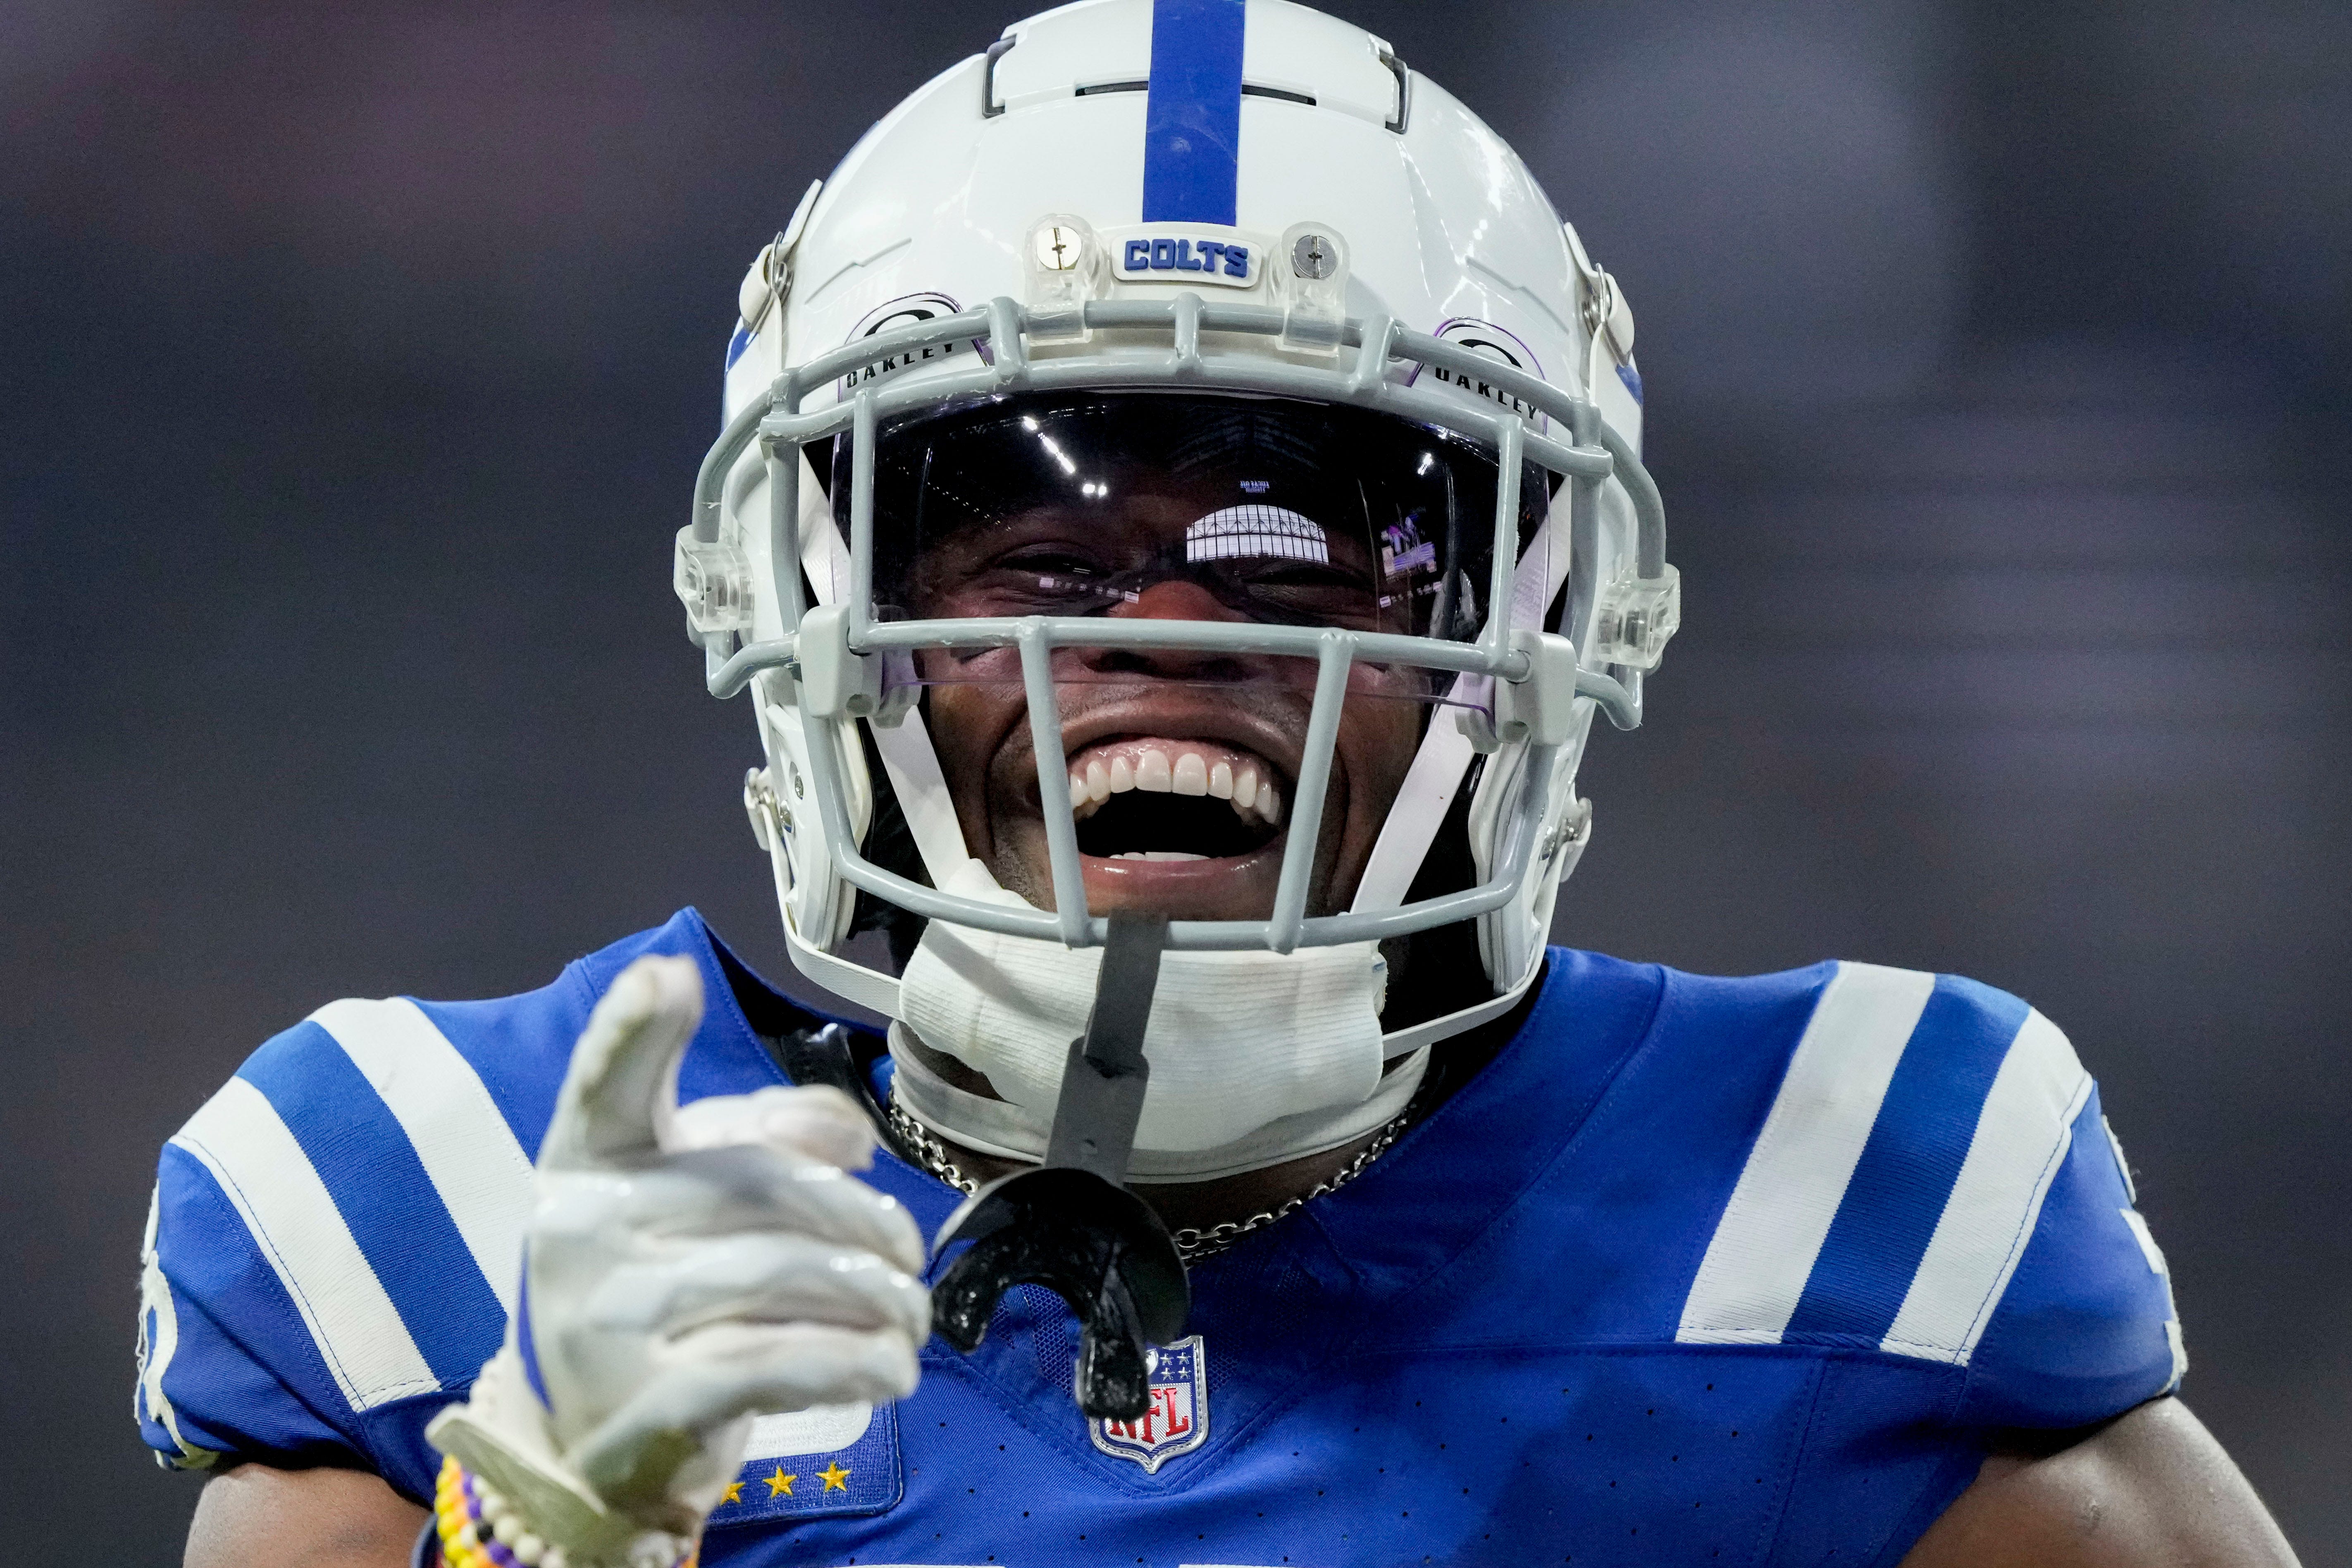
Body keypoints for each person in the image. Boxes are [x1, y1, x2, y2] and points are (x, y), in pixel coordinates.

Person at [137, 2, 2302, 1564]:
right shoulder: (455, 1201)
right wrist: (528, 1527)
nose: (1165, 633)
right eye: (1038, 552)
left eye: (1299, 560)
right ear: (805, 607)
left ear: (1542, 631)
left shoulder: (1830, 1216)